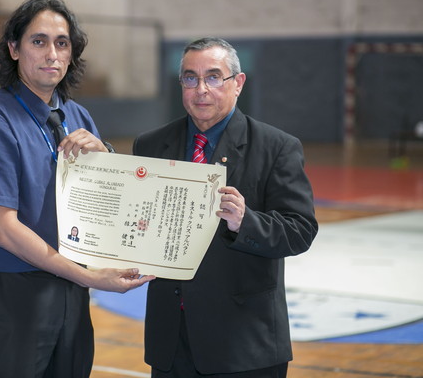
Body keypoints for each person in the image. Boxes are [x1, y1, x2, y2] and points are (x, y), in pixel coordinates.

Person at [0, 0, 154, 378]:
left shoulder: (77, 116)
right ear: (14, 49)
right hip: (14, 292)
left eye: (61, 43)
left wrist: (106, 157)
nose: (52, 54)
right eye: (39, 41)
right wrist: (90, 277)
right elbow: (2, 230)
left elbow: (110, 204)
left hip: (71, 292)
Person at [133, 37, 318, 377]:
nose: (201, 89)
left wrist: (245, 222)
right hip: (171, 340)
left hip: (244, 343)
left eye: (214, 77)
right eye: (190, 78)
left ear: (238, 83)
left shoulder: (277, 147)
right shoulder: (150, 145)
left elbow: (301, 230)